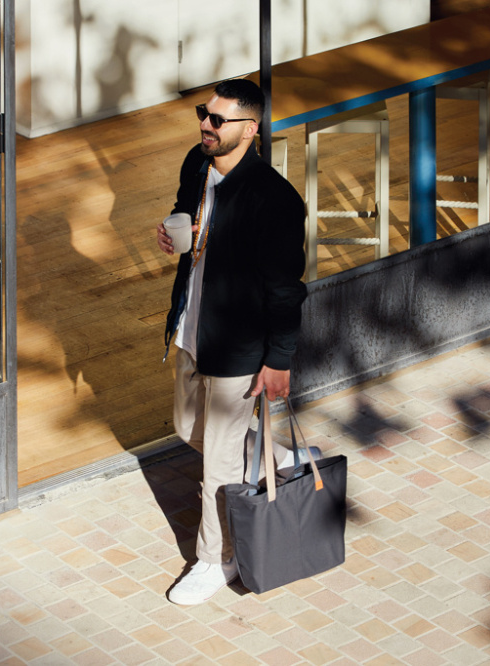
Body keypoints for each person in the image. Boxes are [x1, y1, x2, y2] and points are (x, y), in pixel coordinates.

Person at [155, 79, 313, 605]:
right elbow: (185, 213)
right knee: (186, 429)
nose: (205, 124)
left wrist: (279, 360)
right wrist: (173, 231)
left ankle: (215, 560)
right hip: (191, 328)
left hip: (239, 348)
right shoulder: (196, 166)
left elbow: (285, 292)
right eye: (204, 113)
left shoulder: (274, 201)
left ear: (250, 129)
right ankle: (270, 454)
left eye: (217, 120)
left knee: (215, 469)